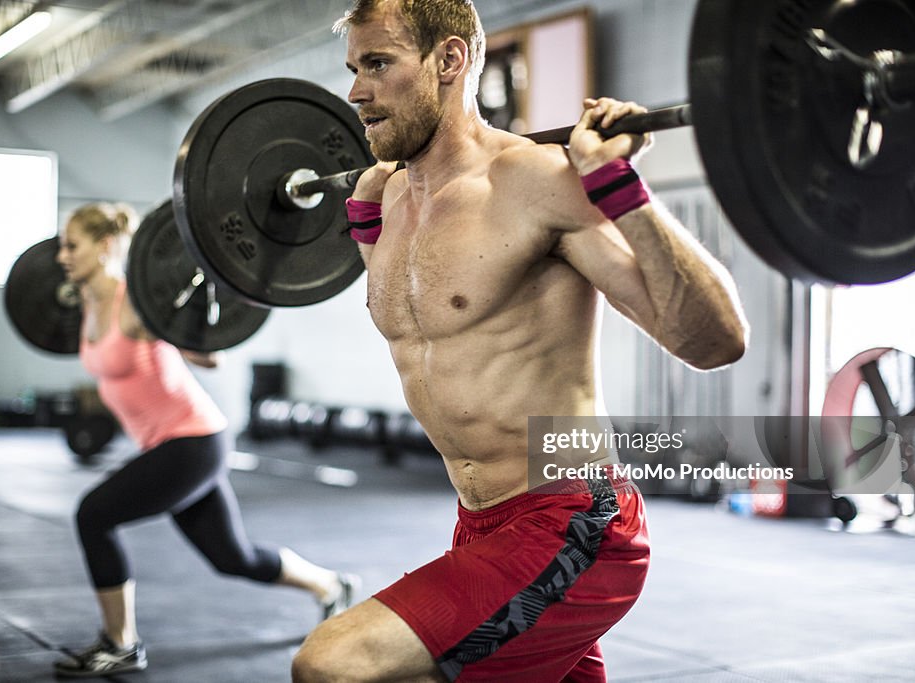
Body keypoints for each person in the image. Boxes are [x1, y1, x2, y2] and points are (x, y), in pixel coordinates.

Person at [292, 1, 748, 682]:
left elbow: (716, 341)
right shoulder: (380, 201)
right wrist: (364, 212)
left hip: (573, 521)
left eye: (379, 64)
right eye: (354, 68)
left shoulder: (535, 183)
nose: (356, 91)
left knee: (334, 664)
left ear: (448, 61)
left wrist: (617, 185)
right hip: (478, 522)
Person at [51, 203, 356, 678]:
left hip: (191, 442)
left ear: (104, 246)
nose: (62, 256)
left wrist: (196, 325)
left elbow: (209, 357)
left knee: (93, 516)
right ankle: (332, 585)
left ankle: (121, 643)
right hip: (171, 445)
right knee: (232, 558)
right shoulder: (87, 300)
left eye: (72, 245)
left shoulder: (135, 301)